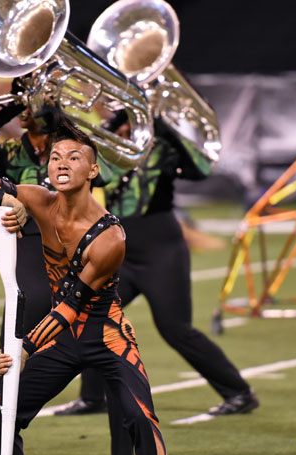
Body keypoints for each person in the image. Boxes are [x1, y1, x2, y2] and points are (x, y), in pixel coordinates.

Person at [0, 121, 183, 455]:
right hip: (62, 340)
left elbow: (69, 307)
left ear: (93, 171)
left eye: (73, 157)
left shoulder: (111, 237)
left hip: (105, 335)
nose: (61, 163)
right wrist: (12, 204)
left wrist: (23, 348)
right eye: (54, 157)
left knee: (141, 418)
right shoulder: (36, 199)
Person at [0, 101, 140, 455]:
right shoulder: (11, 150)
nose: (25, 108)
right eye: (22, 101)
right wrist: (9, 197)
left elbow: (113, 173)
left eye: (32, 100)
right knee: (18, 352)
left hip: (85, 247)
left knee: (113, 347)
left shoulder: (78, 146)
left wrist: (66, 112)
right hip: (33, 247)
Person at [56, 115, 258, 418]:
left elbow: (200, 169)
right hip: (120, 251)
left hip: (161, 251)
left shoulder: (161, 149)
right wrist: (103, 128)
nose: (124, 130)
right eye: (119, 123)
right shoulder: (108, 153)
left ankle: (239, 392)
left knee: (176, 329)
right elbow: (82, 170)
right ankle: (92, 397)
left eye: (129, 123)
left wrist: (167, 131)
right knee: (89, 316)